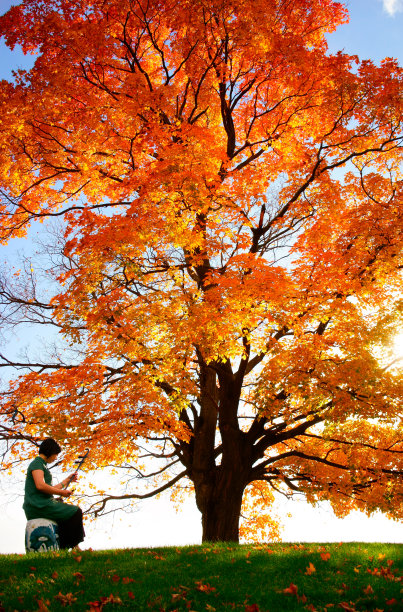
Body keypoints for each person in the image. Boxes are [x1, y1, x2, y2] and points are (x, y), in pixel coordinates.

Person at [23, 438, 85, 549]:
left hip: (41, 504)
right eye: (55, 454)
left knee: (64, 513)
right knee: (76, 512)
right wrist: (62, 492)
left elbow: (48, 488)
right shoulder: (37, 464)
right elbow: (40, 485)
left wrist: (66, 480)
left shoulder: (41, 465)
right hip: (38, 506)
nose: (56, 457)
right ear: (50, 452)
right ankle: (71, 547)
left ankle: (68, 547)